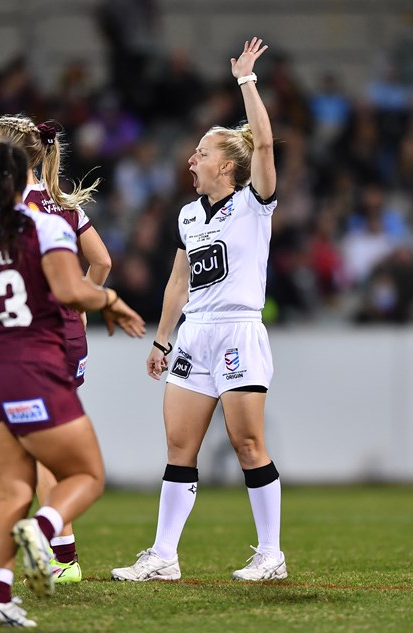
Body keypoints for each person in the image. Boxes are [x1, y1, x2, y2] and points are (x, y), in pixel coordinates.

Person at [0, 141, 145, 627]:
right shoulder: (44, 226)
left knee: (11, 491)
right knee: (86, 475)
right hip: (29, 367)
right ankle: (45, 531)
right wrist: (111, 299)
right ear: (24, 180)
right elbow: (68, 289)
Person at [110, 37, 286, 583]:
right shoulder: (189, 215)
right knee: (179, 445)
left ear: (228, 165)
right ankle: (164, 555)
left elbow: (263, 146)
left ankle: (271, 554)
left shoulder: (254, 202)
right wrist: (163, 341)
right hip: (195, 335)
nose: (192, 159)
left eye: (203, 153)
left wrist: (246, 80)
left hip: (238, 330)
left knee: (247, 442)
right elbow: (178, 282)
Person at [0, 114, 113, 585]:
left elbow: (9, 276)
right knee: (46, 443)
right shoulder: (64, 206)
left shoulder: (9, 212)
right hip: (66, 333)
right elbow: (102, 261)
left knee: (35, 447)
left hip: (31, 335)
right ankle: (58, 552)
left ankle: (59, 555)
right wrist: (79, 300)